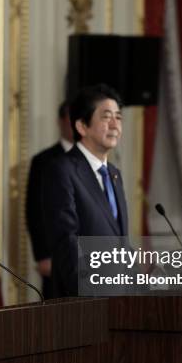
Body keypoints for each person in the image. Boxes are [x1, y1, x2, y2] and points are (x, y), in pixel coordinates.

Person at [43, 84, 129, 297]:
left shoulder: (114, 174)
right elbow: (66, 241)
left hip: (117, 299)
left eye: (118, 117)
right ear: (82, 126)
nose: (114, 124)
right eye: (106, 117)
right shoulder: (62, 170)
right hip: (82, 304)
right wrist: (88, 295)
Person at [25, 101, 73, 299]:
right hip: (56, 257)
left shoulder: (93, 159)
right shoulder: (44, 161)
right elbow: (34, 211)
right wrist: (43, 255)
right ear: (61, 122)